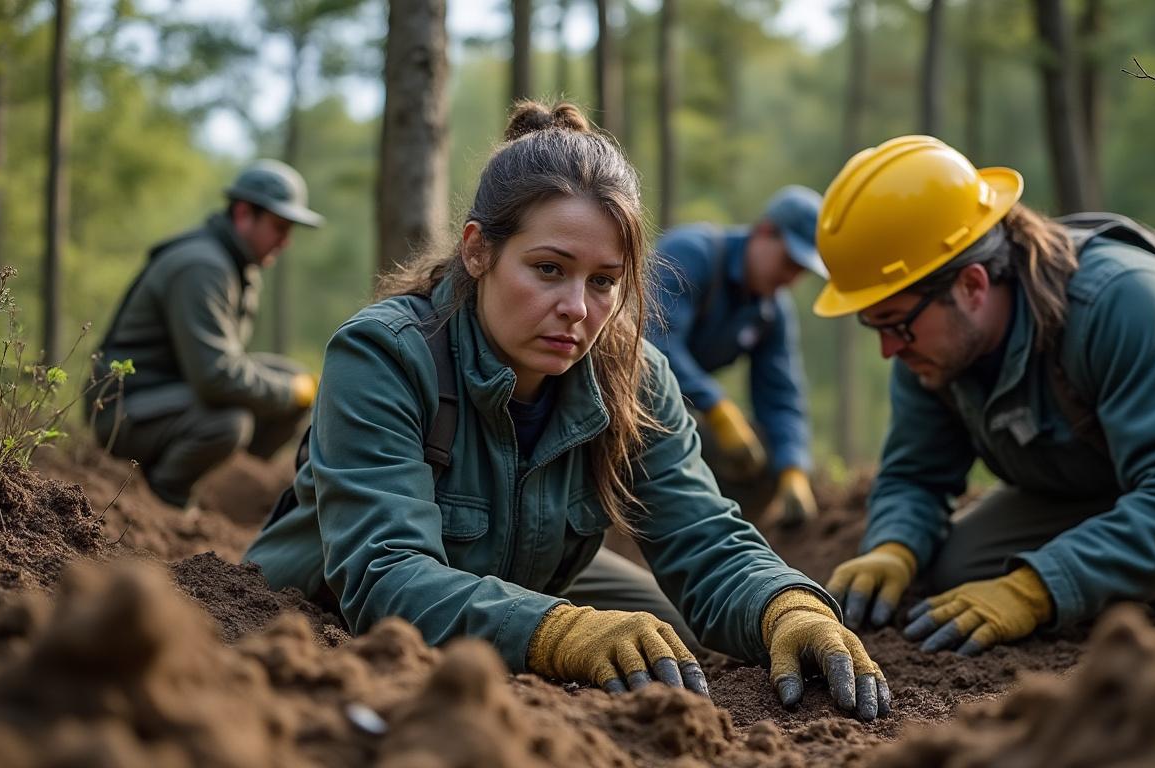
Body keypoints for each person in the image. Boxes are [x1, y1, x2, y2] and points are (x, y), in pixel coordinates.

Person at [244, 101, 890, 720]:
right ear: (478, 250)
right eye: (549, 269)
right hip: (312, 625)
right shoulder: (384, 356)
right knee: (606, 639)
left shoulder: (631, 375)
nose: (579, 309)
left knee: (673, 631)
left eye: (604, 281)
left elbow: (704, 538)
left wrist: (789, 607)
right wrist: (559, 632)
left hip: (509, 574)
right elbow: (384, 573)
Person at [817, 135, 1155, 656]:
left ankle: (1143, 582)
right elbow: (915, 474)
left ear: (972, 285)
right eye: (873, 326)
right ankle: (1122, 562)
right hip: (1091, 475)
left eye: (894, 323)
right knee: (956, 568)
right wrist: (894, 548)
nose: (887, 349)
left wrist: (1036, 589)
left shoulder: (1122, 299)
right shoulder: (929, 347)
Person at [87, 159, 323, 509]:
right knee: (229, 421)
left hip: (170, 397)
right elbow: (215, 377)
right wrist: (290, 392)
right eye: (279, 226)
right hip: (121, 411)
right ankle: (165, 499)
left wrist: (295, 387)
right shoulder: (203, 266)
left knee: (292, 379)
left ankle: (230, 488)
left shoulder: (236, 264)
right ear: (244, 214)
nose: (285, 241)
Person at [646, 186, 826, 527]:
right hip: (624, 396)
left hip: (685, 408)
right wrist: (716, 405)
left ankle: (715, 540)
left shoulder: (772, 311)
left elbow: (781, 392)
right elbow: (653, 340)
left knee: (764, 457)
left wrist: (792, 466)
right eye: (788, 262)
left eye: (800, 272)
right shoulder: (692, 253)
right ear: (763, 231)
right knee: (684, 434)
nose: (790, 278)